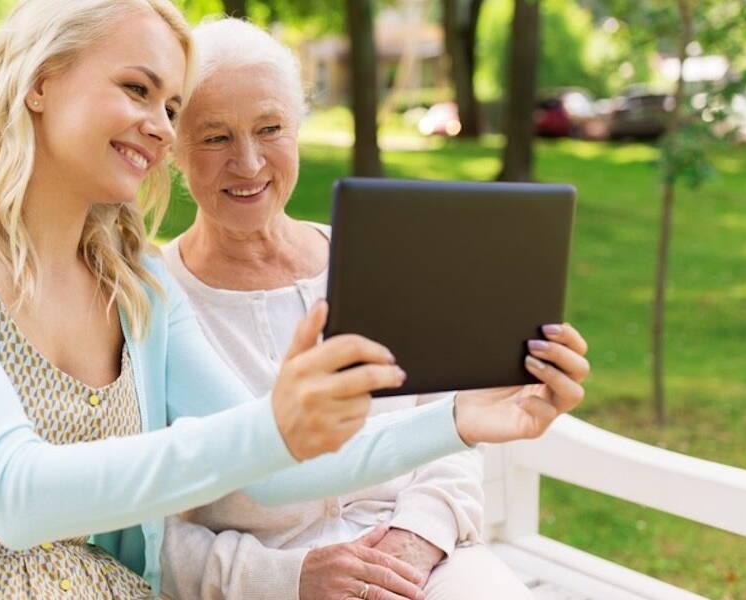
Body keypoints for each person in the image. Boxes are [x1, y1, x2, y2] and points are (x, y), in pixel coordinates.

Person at [0, 2, 588, 598]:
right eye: (138, 90)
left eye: (171, 106)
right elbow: (14, 496)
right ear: (42, 81)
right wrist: (273, 429)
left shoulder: (131, 283)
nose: (158, 126)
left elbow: (271, 471)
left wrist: (456, 420)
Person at [159, 18, 589, 600]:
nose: (250, 162)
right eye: (214, 137)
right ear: (173, 146)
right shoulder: (152, 300)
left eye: (270, 128)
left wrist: (415, 541)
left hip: (424, 560)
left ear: (298, 131)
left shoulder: (376, 258)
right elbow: (147, 530)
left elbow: (451, 433)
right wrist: (288, 578)